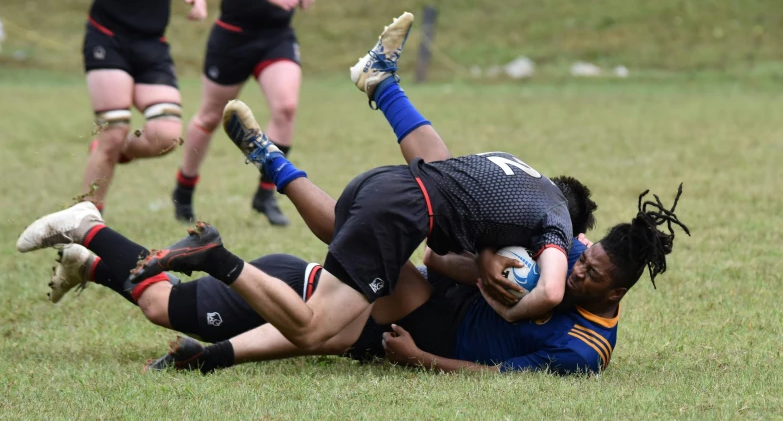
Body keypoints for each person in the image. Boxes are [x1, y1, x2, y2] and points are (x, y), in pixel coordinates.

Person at [127, 12, 598, 357]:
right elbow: (450, 260)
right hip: (400, 217)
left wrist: (484, 263)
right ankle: (218, 256)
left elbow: (436, 243)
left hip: (383, 190)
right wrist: (493, 273)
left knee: (347, 225)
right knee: (316, 331)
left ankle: (286, 147)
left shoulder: (514, 179)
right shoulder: (542, 225)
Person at [14, 185, 687, 375]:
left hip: (342, 301)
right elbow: (464, 231)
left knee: (318, 329)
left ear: (613, 292)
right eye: (579, 255)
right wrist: (482, 262)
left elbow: (501, 379)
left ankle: (92, 260)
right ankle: (91, 228)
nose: (571, 267)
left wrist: (422, 359)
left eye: (587, 271)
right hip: (304, 287)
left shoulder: (581, 352)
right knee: (162, 306)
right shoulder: (551, 255)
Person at [58, 0, 207, 213]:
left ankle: (115, 151)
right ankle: (85, 229)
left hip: (152, 43)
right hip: (108, 37)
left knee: (166, 136)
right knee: (113, 130)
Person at [172, 0, 314, 226]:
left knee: (286, 108)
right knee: (209, 116)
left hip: (277, 36)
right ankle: (184, 187)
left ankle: (266, 194)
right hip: (234, 37)